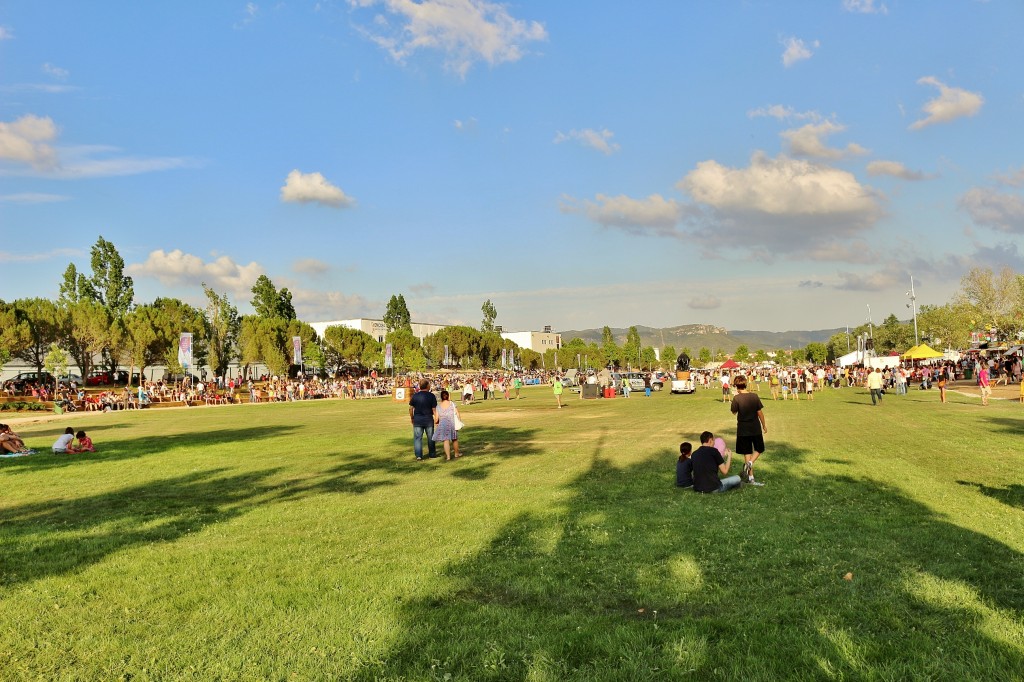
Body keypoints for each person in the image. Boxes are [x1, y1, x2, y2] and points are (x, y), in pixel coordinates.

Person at [730, 375, 767, 486]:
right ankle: (750, 467)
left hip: (742, 429)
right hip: (755, 427)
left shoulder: (737, 398)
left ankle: (750, 474)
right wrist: (764, 425)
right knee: (759, 448)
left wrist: (735, 398)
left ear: (736, 386)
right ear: (745, 384)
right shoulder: (754, 396)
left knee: (747, 452)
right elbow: (760, 412)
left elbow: (733, 411)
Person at [408, 378, 439, 461]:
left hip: (418, 419)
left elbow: (411, 408)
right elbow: (434, 409)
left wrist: (412, 417)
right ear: (427, 386)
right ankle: (432, 455)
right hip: (428, 419)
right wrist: (437, 418)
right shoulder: (431, 396)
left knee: (418, 438)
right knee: (431, 438)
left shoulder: (415, 395)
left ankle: (418, 455)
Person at [431, 390, 462, 461]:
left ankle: (448, 456)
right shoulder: (452, 403)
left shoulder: (438, 406)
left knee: (446, 440)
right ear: (448, 396)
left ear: (441, 397)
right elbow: (457, 413)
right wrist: (459, 421)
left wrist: (436, 423)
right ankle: (456, 453)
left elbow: (436, 418)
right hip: (452, 422)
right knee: (454, 439)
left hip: (443, 423)